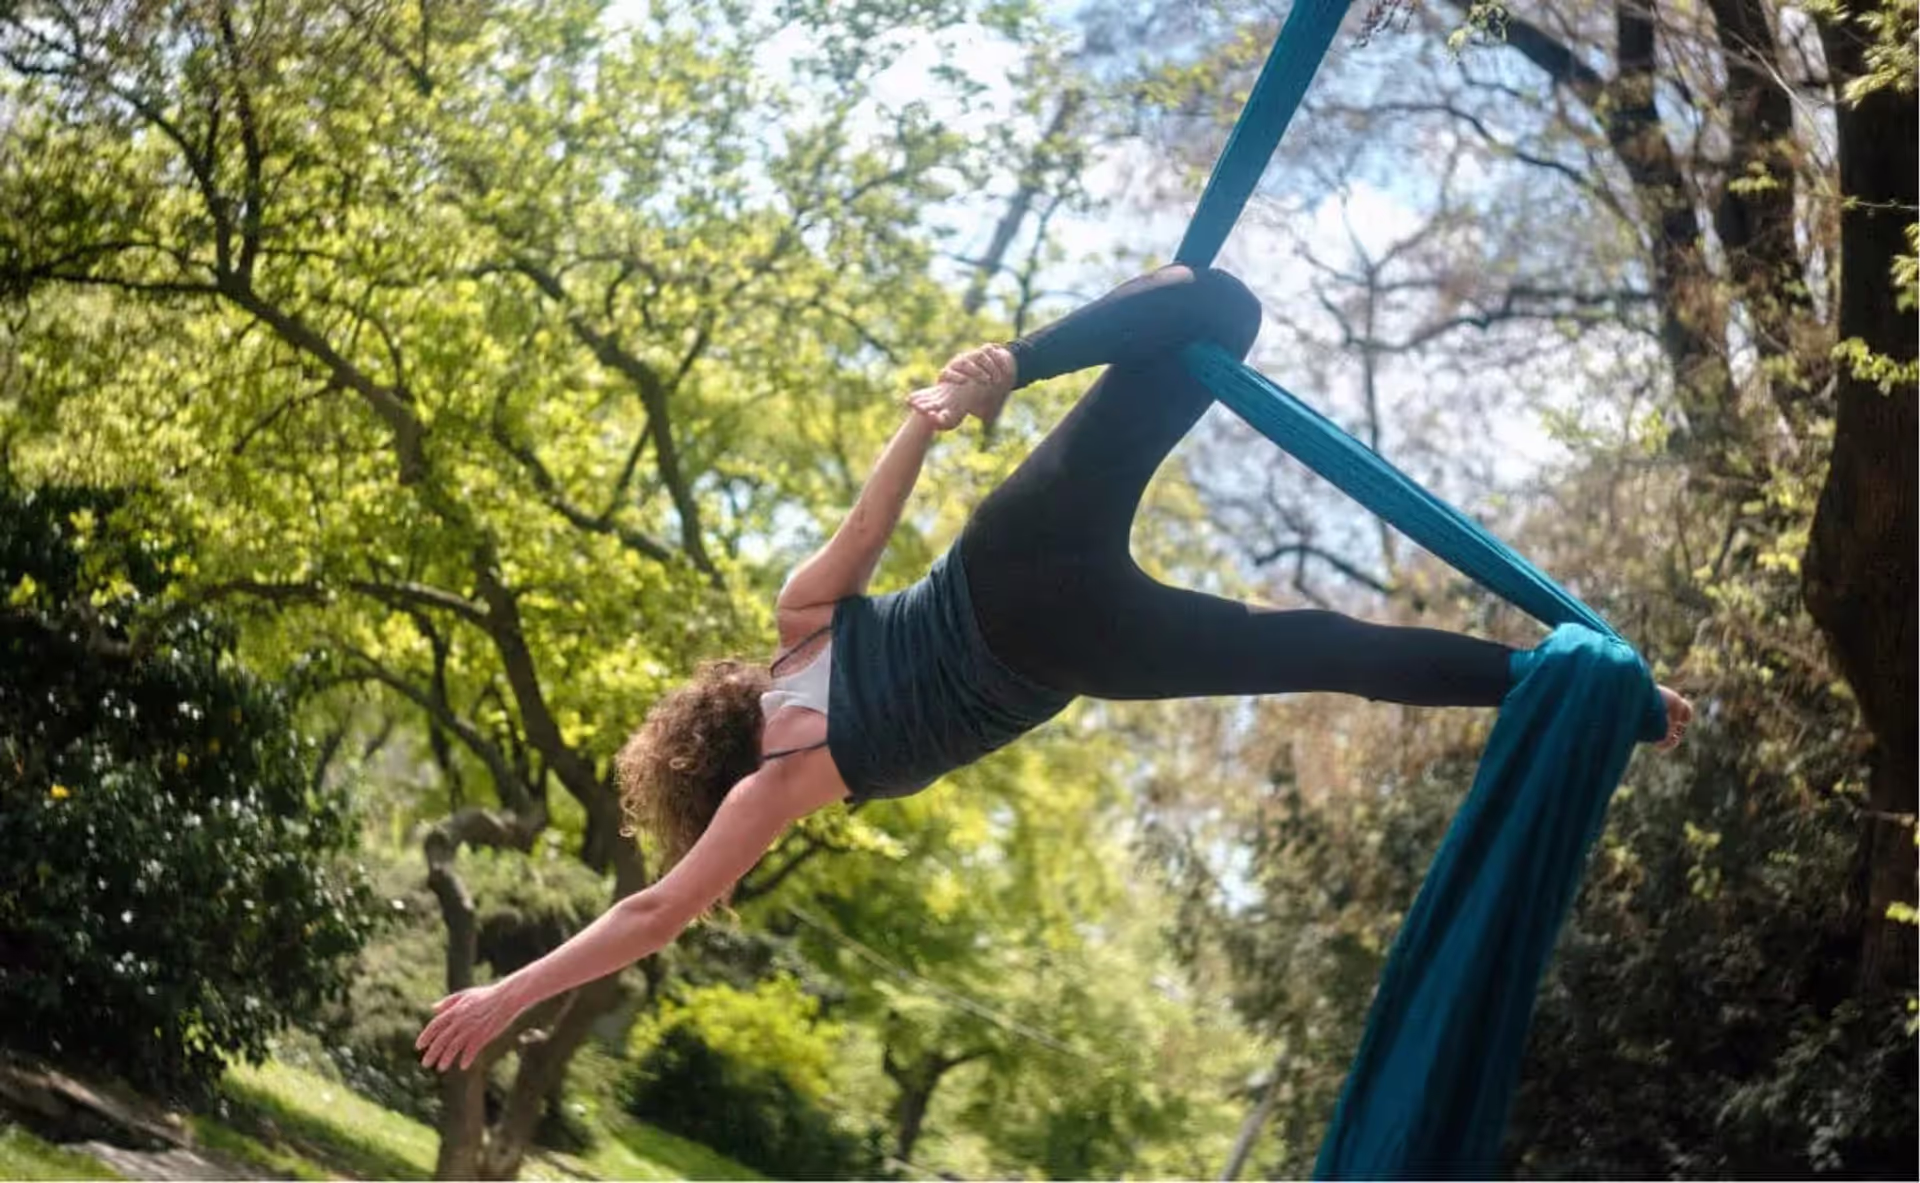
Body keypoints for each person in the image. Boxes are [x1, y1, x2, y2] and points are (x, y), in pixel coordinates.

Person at [416, 265, 1692, 1072]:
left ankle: (1614, 702)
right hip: (1010, 558)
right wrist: (963, 396)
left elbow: (648, 915)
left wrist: (513, 992)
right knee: (1215, 307)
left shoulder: (779, 791)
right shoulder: (802, 622)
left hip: (1068, 647)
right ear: (715, 698)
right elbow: (872, 524)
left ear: (706, 778)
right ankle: (1033, 353)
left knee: (1313, 649)